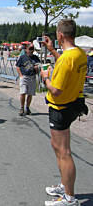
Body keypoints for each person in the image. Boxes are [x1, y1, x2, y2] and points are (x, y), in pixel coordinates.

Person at [41, 19, 87, 206]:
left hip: (61, 106)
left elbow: (56, 90)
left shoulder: (69, 57)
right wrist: (52, 50)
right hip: (72, 104)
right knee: (57, 147)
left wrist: (45, 78)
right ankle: (64, 185)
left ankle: (69, 198)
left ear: (60, 35)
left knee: (64, 152)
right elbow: (66, 63)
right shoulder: (79, 54)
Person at [16, 43, 40, 116]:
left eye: (33, 49)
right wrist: (20, 76)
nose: (31, 50)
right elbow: (17, 66)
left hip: (32, 77)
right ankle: (22, 108)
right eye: (30, 49)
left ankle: (27, 108)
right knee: (23, 92)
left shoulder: (36, 58)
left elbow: (39, 67)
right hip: (24, 76)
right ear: (26, 49)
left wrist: (37, 68)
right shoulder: (22, 57)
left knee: (30, 94)